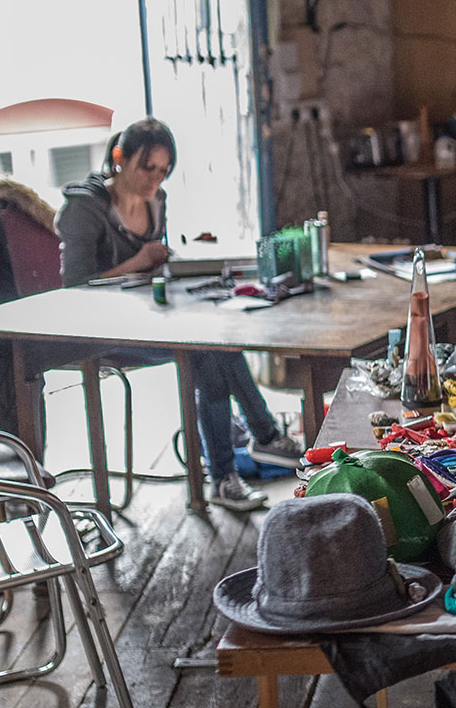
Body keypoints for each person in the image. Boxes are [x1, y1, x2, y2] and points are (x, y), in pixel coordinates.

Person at [58, 118, 305, 512]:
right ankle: (253, 447)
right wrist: (139, 261)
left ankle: (229, 472)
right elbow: (74, 288)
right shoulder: (85, 208)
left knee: (212, 343)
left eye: (163, 170)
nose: (154, 179)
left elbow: (154, 275)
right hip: (100, 328)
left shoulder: (158, 201)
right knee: (207, 349)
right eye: (147, 168)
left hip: (149, 319)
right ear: (119, 158)